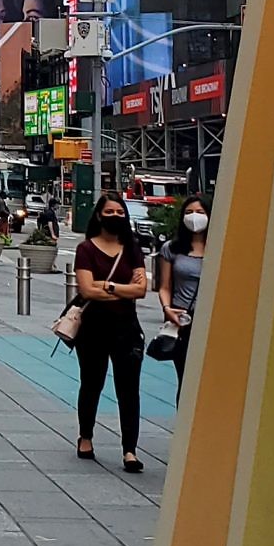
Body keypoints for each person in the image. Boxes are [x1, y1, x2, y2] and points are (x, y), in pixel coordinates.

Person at [73, 193, 150, 471]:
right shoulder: (86, 249)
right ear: (98, 215)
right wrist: (122, 289)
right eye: (110, 212)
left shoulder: (132, 248)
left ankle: (130, 450)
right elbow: (86, 289)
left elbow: (141, 290)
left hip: (126, 328)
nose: (115, 216)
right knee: (92, 383)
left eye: (120, 212)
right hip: (93, 328)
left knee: (129, 390)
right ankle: (86, 436)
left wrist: (108, 286)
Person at [157, 198, 209, 394]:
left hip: (211, 320)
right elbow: (164, 286)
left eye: (200, 211)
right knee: (186, 378)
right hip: (183, 318)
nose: (194, 216)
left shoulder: (221, 247)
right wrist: (167, 309)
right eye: (188, 212)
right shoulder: (172, 248)